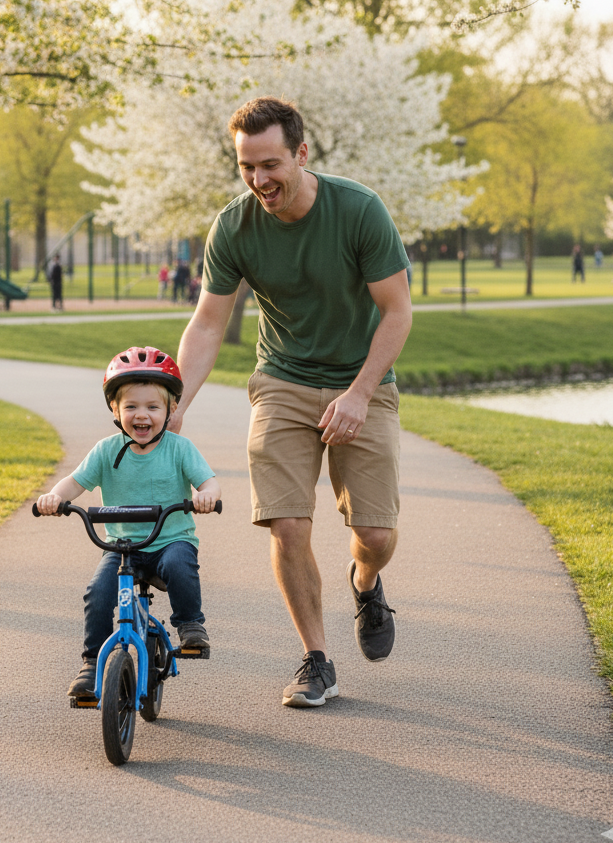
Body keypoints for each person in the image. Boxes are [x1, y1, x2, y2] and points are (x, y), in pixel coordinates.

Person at [170, 96, 412, 708]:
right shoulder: (234, 226)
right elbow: (208, 323)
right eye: (247, 167)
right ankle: (316, 659)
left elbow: (397, 311)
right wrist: (177, 402)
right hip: (282, 379)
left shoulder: (358, 210)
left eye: (270, 164)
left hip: (363, 381)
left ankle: (366, 581)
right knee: (285, 521)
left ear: (301, 154)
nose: (258, 180)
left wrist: (359, 393)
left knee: (375, 533)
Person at [35, 346, 221, 698]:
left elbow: (209, 482)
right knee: (98, 593)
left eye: (153, 407)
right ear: (115, 409)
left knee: (179, 565)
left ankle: (190, 625)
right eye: (131, 406)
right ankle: (91, 664)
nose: (142, 415)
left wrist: (207, 495)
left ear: (171, 409)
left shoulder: (179, 448)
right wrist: (55, 498)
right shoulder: (106, 450)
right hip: (122, 548)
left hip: (169, 540)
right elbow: (74, 482)